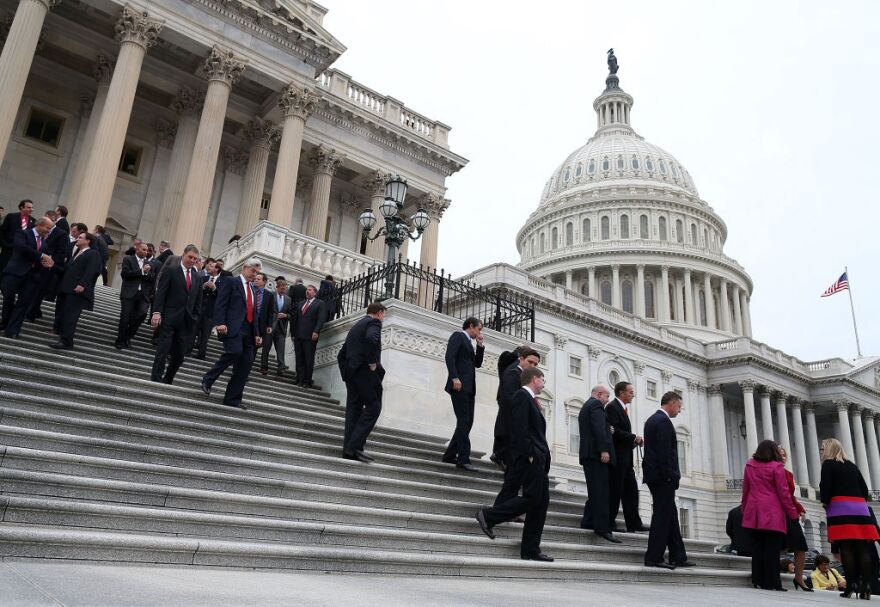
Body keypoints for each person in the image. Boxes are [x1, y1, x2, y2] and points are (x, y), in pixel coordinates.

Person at [475, 367, 553, 562]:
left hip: (540, 459)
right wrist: (529, 455)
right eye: (542, 379)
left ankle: (530, 549)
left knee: (540, 502)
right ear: (534, 379)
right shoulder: (521, 396)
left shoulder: (532, 401)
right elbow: (519, 428)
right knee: (532, 498)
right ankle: (489, 515)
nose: (544, 383)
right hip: (531, 458)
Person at [820, 437, 880, 599]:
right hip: (860, 508)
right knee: (862, 548)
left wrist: (825, 503)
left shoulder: (828, 465)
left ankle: (851, 585)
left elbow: (825, 489)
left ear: (828, 449)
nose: (821, 451)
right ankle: (867, 586)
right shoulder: (852, 466)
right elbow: (865, 489)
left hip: (840, 507)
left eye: (822, 448)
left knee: (845, 548)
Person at [201, 257, 264, 409]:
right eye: (252, 271)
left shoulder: (253, 289)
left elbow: (254, 313)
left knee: (246, 363)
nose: (254, 274)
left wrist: (257, 333)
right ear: (244, 267)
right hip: (233, 327)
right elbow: (221, 303)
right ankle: (208, 378)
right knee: (235, 352)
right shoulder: (231, 281)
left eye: (257, 272)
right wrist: (220, 323)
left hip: (249, 331)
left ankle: (232, 398)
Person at [642, 391, 694, 569]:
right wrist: (671, 475)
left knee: (670, 515)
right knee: (662, 517)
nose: (679, 411)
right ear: (671, 403)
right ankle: (654, 557)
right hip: (662, 477)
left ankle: (678, 555)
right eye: (679, 407)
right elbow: (665, 454)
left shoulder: (652, 420)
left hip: (655, 475)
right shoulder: (663, 422)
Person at [740, 439, 799, 591]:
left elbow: (745, 489)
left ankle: (757, 579)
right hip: (773, 511)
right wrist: (792, 512)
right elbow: (783, 493)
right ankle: (773, 582)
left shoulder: (750, 465)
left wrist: (744, 508)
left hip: (754, 510)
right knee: (772, 549)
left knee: (758, 548)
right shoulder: (776, 467)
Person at [337, 301, 386, 462]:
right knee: (374, 406)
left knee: (354, 409)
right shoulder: (374, 322)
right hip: (365, 372)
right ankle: (354, 446)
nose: (383, 318)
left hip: (352, 372)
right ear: (379, 312)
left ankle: (349, 450)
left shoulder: (356, 326)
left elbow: (341, 354)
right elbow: (371, 340)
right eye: (383, 314)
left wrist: (347, 371)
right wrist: (372, 362)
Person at [492, 346, 541, 503]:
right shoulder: (513, 374)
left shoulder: (520, 376)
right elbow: (507, 403)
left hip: (515, 433)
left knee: (513, 475)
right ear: (520, 358)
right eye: (530, 362)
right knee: (513, 474)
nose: (533, 366)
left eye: (535, 364)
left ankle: (505, 507)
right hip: (509, 432)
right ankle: (502, 509)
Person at [150, 245, 203, 384]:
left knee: (179, 355)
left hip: (186, 322)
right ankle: (156, 378)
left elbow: (198, 300)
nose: (192, 260)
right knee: (163, 349)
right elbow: (161, 293)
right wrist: (157, 312)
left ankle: (168, 378)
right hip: (169, 317)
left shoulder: (197, 277)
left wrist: (195, 317)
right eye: (190, 257)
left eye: (195, 259)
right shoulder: (171, 270)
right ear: (183, 255)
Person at [578, 384, 621, 543]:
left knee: (595, 491)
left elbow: (597, 426)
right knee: (601, 492)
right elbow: (597, 428)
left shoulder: (587, 405)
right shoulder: (595, 405)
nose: (607, 400)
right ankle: (603, 528)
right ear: (599, 394)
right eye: (607, 396)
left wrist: (607, 427)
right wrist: (604, 450)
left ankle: (588, 521)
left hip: (589, 455)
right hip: (596, 455)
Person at [441, 317, 485, 471]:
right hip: (459, 386)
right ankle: (463, 458)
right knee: (464, 420)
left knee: (467, 421)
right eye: (479, 329)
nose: (479, 333)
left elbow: (477, 364)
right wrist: (454, 377)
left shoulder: (470, 343)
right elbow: (449, 357)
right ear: (471, 326)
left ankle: (449, 455)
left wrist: (480, 346)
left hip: (469, 388)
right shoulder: (458, 336)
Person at [0, 217, 54, 338]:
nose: (48, 231)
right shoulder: (23, 233)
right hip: (15, 273)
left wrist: (45, 263)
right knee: (8, 297)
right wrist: (41, 256)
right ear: (39, 225)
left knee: (23, 304)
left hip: (32, 276)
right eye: (47, 228)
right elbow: (21, 248)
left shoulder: (45, 243)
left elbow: (42, 258)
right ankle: (5, 323)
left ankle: (12, 331)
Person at [605, 381, 648, 533]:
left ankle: (634, 523)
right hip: (617, 459)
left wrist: (633, 440)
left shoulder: (622, 409)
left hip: (626, 459)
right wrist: (633, 437)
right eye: (630, 392)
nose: (633, 394)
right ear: (621, 393)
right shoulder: (612, 408)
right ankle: (609, 523)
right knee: (615, 491)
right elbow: (613, 431)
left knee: (631, 491)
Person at [50, 231, 101, 349]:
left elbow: (91, 271)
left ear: (88, 241)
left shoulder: (93, 253)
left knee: (70, 317)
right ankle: (64, 339)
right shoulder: (77, 253)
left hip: (77, 291)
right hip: (67, 289)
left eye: (80, 237)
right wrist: (53, 265)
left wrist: (82, 284)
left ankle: (66, 342)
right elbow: (67, 270)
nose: (77, 239)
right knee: (64, 315)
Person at [778, 446, 811, 591]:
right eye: (780, 454)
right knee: (781, 546)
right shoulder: (773, 470)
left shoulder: (788, 474)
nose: (783, 456)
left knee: (801, 546)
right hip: (778, 512)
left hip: (790, 511)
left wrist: (800, 510)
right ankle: (774, 573)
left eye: (785, 454)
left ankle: (799, 578)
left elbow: (790, 496)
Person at [114, 242, 155, 349]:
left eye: (147, 250)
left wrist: (146, 273)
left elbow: (152, 278)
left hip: (142, 295)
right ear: (137, 249)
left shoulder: (149, 263)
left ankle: (127, 336)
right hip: (129, 293)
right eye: (144, 249)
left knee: (142, 314)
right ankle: (120, 340)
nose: (146, 252)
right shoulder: (128, 259)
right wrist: (141, 271)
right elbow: (125, 274)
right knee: (125, 317)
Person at [291, 284, 325, 388]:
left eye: (310, 290)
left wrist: (316, 331)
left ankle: (307, 381)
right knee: (299, 358)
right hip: (298, 336)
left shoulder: (320, 303)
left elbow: (321, 319)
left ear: (315, 292)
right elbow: (295, 319)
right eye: (307, 290)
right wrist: (293, 333)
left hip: (310, 336)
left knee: (308, 359)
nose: (307, 291)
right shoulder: (301, 303)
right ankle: (299, 380)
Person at [261, 276, 291, 375]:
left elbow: (291, 314)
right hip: (270, 326)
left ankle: (281, 368)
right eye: (282, 288)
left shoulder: (288, 299)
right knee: (266, 347)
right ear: (277, 287)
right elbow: (266, 311)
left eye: (285, 288)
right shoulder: (270, 295)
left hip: (281, 328)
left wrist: (286, 315)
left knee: (281, 349)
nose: (284, 290)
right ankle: (264, 366)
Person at [192, 259, 222, 359]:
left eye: (211, 266)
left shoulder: (222, 281)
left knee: (205, 334)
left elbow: (222, 297)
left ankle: (201, 354)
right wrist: (203, 287)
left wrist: (214, 289)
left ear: (217, 269)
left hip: (210, 312)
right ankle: (187, 350)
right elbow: (195, 292)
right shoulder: (203, 278)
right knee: (193, 330)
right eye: (208, 265)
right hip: (199, 309)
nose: (208, 267)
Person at [0, 199, 35, 272]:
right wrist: (5, 244)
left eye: (32, 207)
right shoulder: (11, 216)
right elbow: (2, 231)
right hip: (8, 250)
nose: (31, 209)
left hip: (21, 253)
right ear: (22, 207)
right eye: (29, 207)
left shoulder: (33, 221)